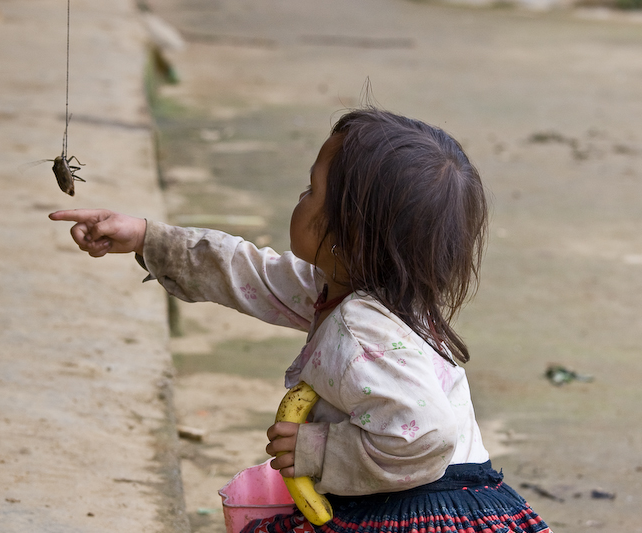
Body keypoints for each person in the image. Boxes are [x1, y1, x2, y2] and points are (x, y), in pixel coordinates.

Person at [49, 107, 551, 533]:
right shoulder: (365, 289)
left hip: (419, 511)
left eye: (310, 191)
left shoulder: (362, 329)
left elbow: (426, 437)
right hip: (436, 494)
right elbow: (251, 274)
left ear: (348, 233)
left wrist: (318, 450)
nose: (299, 199)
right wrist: (146, 238)